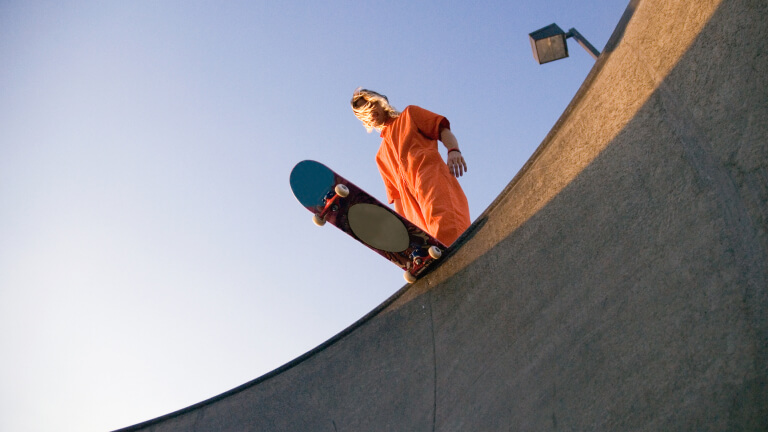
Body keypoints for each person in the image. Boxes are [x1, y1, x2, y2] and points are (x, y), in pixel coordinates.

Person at [350, 88, 471, 246]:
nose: (370, 113)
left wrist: (453, 150)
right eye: (364, 112)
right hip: (412, 208)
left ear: (380, 102)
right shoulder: (381, 156)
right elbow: (397, 196)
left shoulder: (410, 115)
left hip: (433, 182)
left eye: (370, 106)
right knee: (431, 247)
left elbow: (441, 129)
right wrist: (404, 228)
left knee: (448, 230)